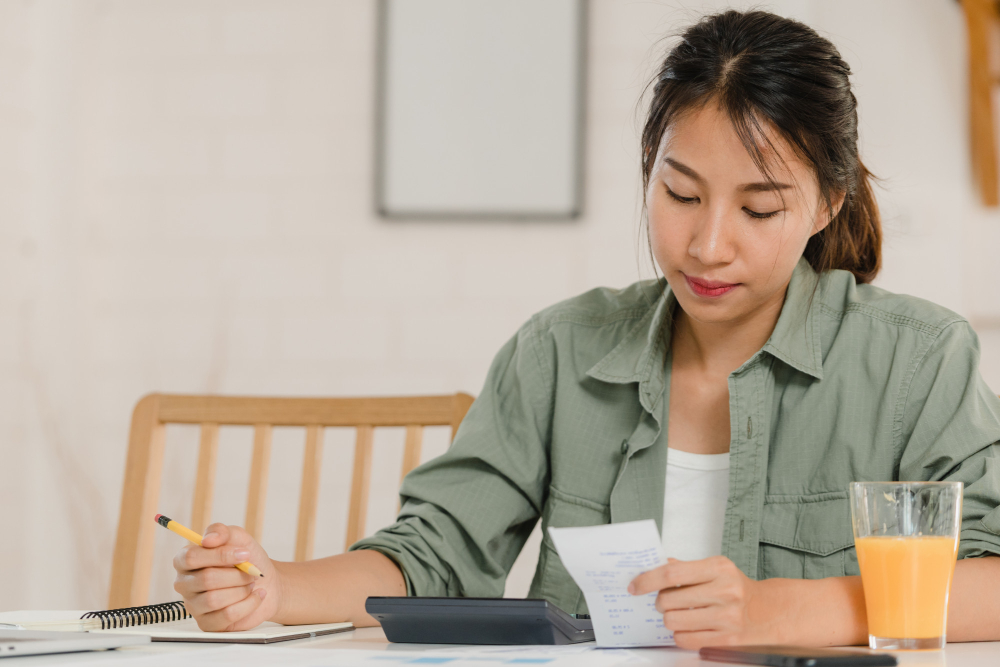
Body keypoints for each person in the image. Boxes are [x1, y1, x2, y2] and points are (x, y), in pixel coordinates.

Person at [171, 10, 1000, 648]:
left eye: (758, 207)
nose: (709, 243)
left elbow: (991, 580)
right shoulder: (562, 351)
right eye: (680, 194)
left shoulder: (917, 360)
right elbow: (435, 553)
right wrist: (276, 587)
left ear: (827, 202)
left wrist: (773, 608)